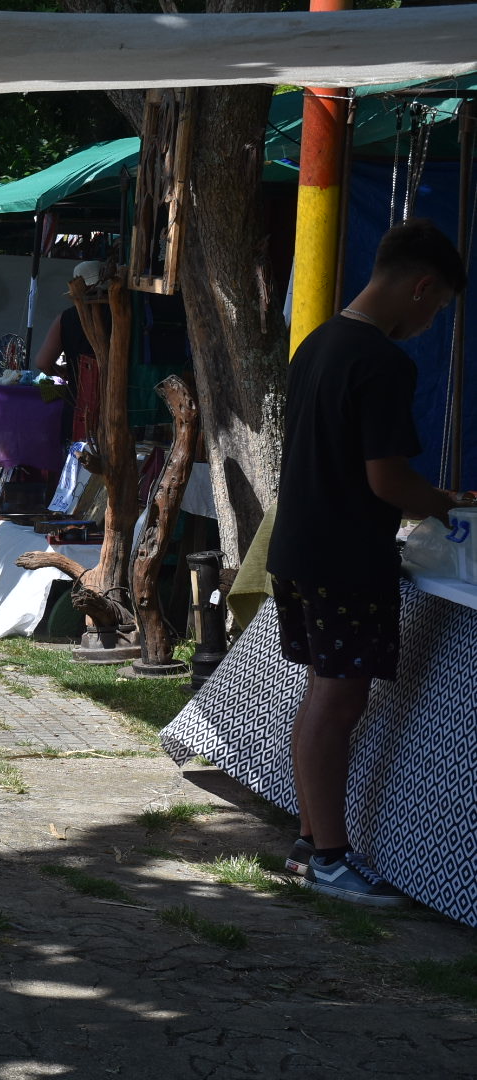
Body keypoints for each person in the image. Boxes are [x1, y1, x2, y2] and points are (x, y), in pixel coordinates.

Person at [268, 218, 470, 906]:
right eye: (438, 304)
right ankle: (328, 856)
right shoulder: (383, 361)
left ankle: (306, 843)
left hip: (297, 546)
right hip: (344, 554)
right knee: (337, 699)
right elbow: (387, 481)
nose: (432, 318)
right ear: (421, 286)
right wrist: (449, 504)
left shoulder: (318, 342)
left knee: (325, 693)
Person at [32, 260, 104, 441]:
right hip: (119, 401)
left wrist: (63, 372)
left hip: (79, 399)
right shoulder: (125, 313)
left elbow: (42, 362)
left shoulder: (66, 318)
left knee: (77, 457)